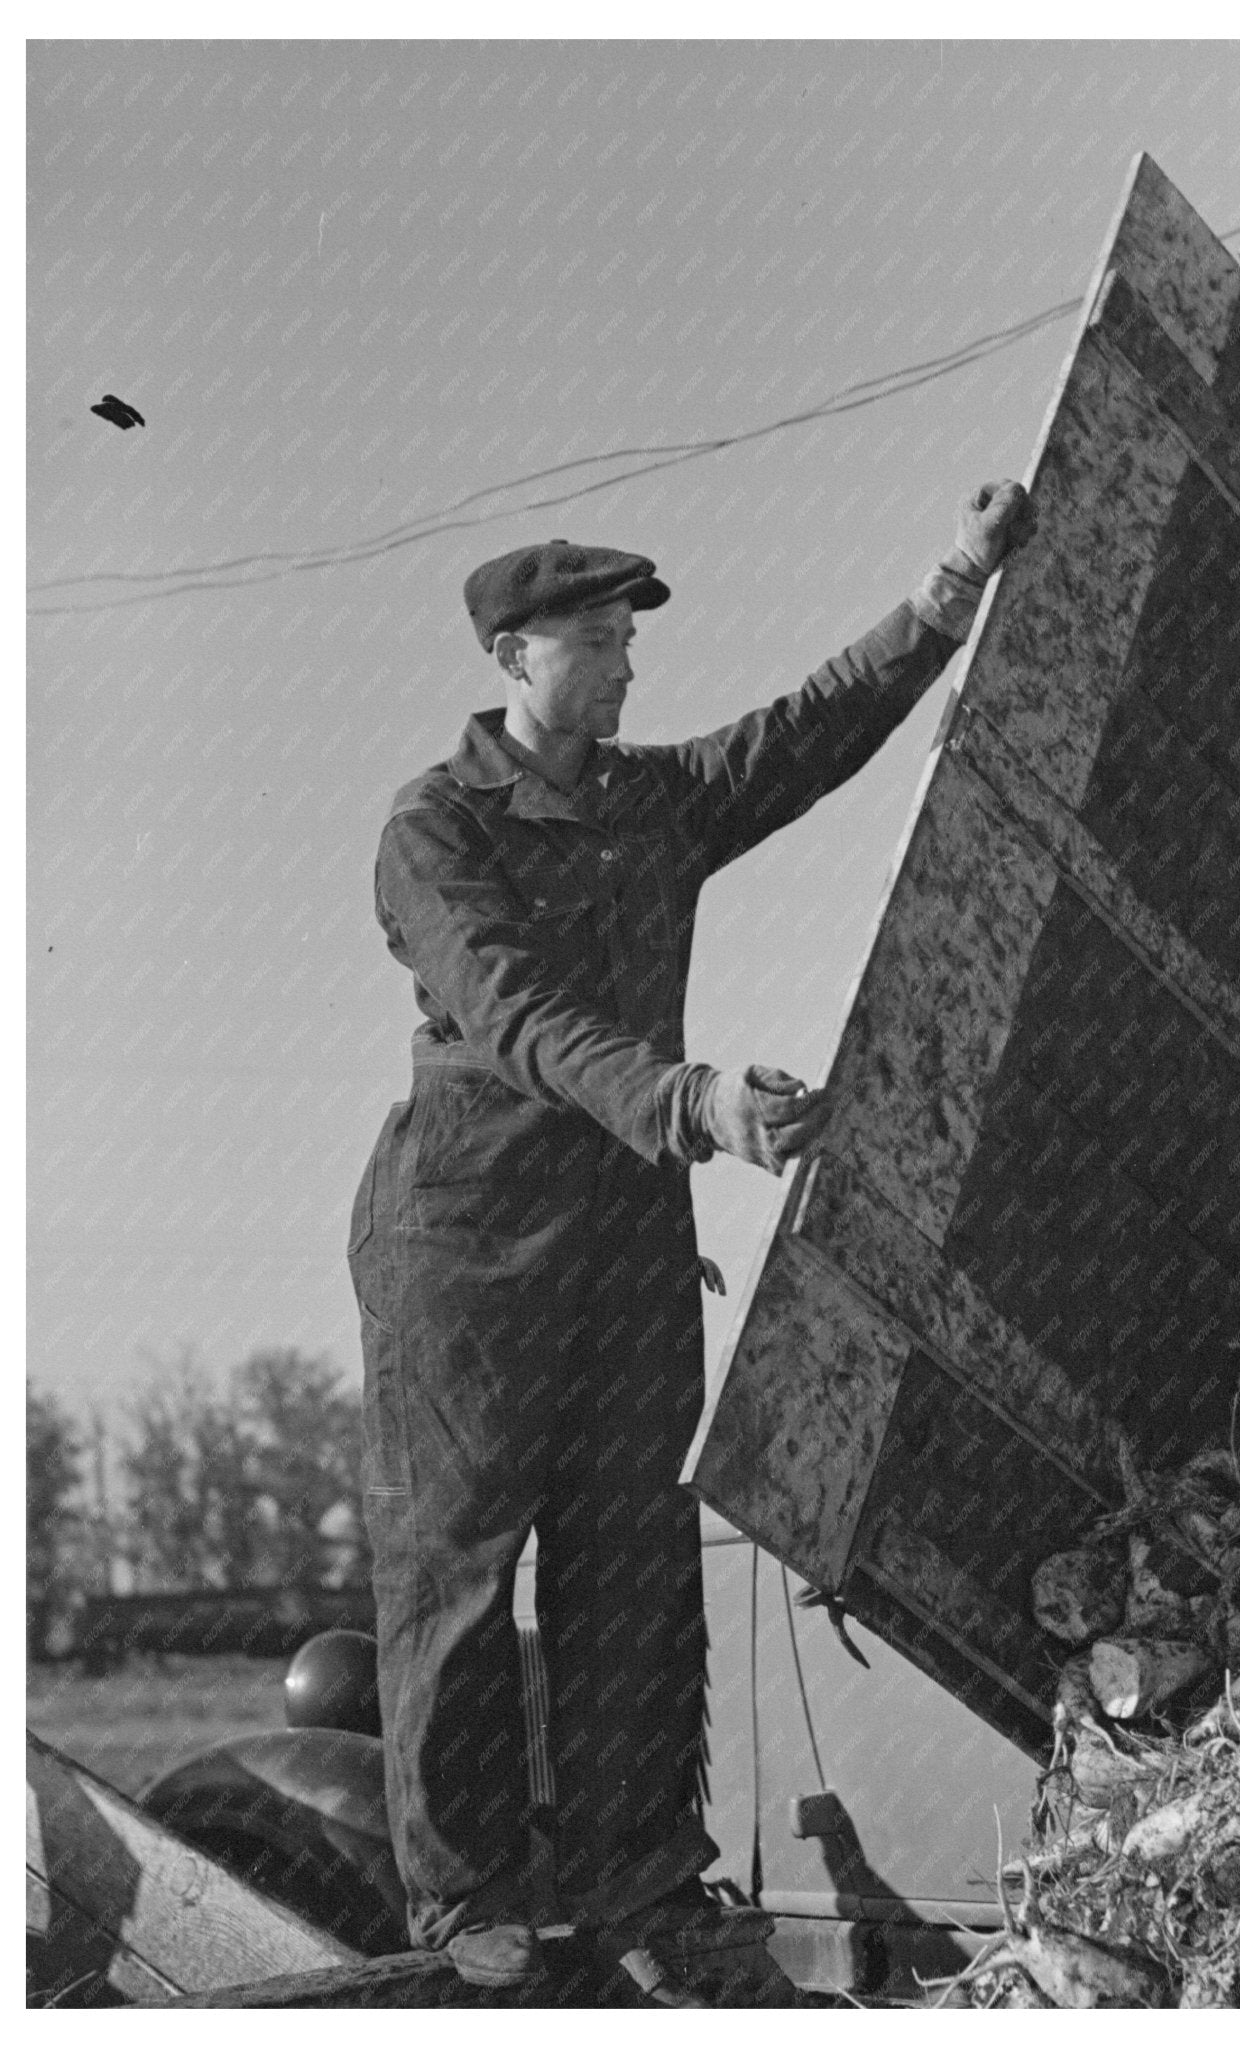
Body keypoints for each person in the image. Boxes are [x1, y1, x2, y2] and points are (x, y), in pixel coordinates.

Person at [346, 481, 1035, 2000]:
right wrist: (692, 1099)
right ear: (512, 657)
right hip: (465, 1255)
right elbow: (515, 1017)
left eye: (626, 642)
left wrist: (948, 588)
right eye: (595, 642)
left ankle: (637, 1874)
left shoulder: (647, 803)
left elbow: (802, 735)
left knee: (632, 1565)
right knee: (459, 1573)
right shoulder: (434, 829)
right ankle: (463, 1906)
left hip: (625, 1244)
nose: (626, 668)